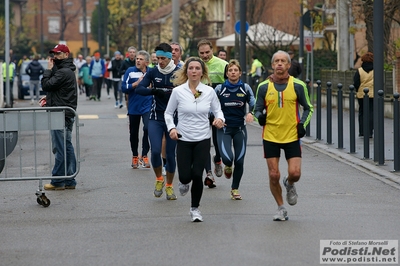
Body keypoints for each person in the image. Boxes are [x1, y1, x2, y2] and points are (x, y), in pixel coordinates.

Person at [253, 50, 313, 221]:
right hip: (271, 135)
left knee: (295, 173)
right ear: (272, 65)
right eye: (276, 61)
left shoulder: (298, 85)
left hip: (292, 135)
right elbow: (256, 109)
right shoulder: (264, 86)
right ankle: (280, 208)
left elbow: (309, 107)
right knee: (274, 174)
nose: (279, 64)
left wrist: (303, 124)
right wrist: (260, 117)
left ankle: (290, 183)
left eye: (283, 61)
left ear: (288, 65)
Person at [165, 57, 225, 222]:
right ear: (186, 71)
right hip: (183, 138)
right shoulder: (178, 92)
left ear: (202, 72)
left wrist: (219, 119)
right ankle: (183, 182)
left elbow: (218, 110)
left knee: (197, 174)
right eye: (190, 68)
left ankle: (195, 209)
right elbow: (168, 113)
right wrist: (172, 128)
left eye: (197, 68)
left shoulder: (208, 91)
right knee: (185, 176)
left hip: (203, 138)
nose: (194, 71)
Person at [136, 43, 180, 200]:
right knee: (155, 151)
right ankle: (159, 180)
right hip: (156, 117)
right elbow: (139, 89)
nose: (160, 61)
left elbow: (192, 89)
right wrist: (154, 90)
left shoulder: (179, 72)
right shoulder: (153, 72)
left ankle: (169, 186)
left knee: (170, 154)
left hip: (174, 119)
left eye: (163, 58)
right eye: (158, 58)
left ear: (170, 57)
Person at [214, 59, 255, 200]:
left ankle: (235, 189)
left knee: (239, 160)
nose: (233, 72)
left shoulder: (245, 88)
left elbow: (254, 103)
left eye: (235, 70)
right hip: (224, 129)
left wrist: (251, 113)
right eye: (230, 70)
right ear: (227, 73)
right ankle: (227, 166)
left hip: (239, 129)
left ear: (240, 73)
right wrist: (215, 118)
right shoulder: (220, 88)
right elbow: (210, 105)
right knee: (227, 158)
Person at [41, 44, 78, 190]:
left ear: (66, 55)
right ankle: (69, 179)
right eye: (54, 54)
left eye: (59, 54)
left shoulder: (63, 72)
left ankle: (58, 180)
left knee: (60, 147)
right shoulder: (66, 70)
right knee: (67, 146)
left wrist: (48, 70)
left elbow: (46, 84)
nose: (55, 57)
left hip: (60, 114)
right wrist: (48, 98)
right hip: (65, 112)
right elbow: (58, 90)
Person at [197, 39, 228, 188]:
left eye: (207, 52)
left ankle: (218, 159)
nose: (205, 55)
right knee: (204, 143)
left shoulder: (222, 64)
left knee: (218, 143)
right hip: (201, 110)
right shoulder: (196, 65)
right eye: (202, 53)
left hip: (217, 110)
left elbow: (230, 86)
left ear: (212, 50)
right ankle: (209, 173)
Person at [121, 50, 152, 169]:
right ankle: (135, 155)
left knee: (148, 128)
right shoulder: (130, 71)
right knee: (133, 133)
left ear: (147, 62)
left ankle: (144, 154)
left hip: (147, 105)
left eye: (140, 59)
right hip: (134, 107)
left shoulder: (151, 72)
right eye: (137, 59)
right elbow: (123, 88)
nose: (137, 60)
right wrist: (135, 85)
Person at [353, 52, 374, 138]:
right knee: (371, 112)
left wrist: (358, 90)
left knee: (362, 112)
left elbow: (356, 82)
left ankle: (362, 131)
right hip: (372, 94)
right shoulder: (376, 70)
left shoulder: (359, 71)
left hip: (361, 94)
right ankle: (369, 132)